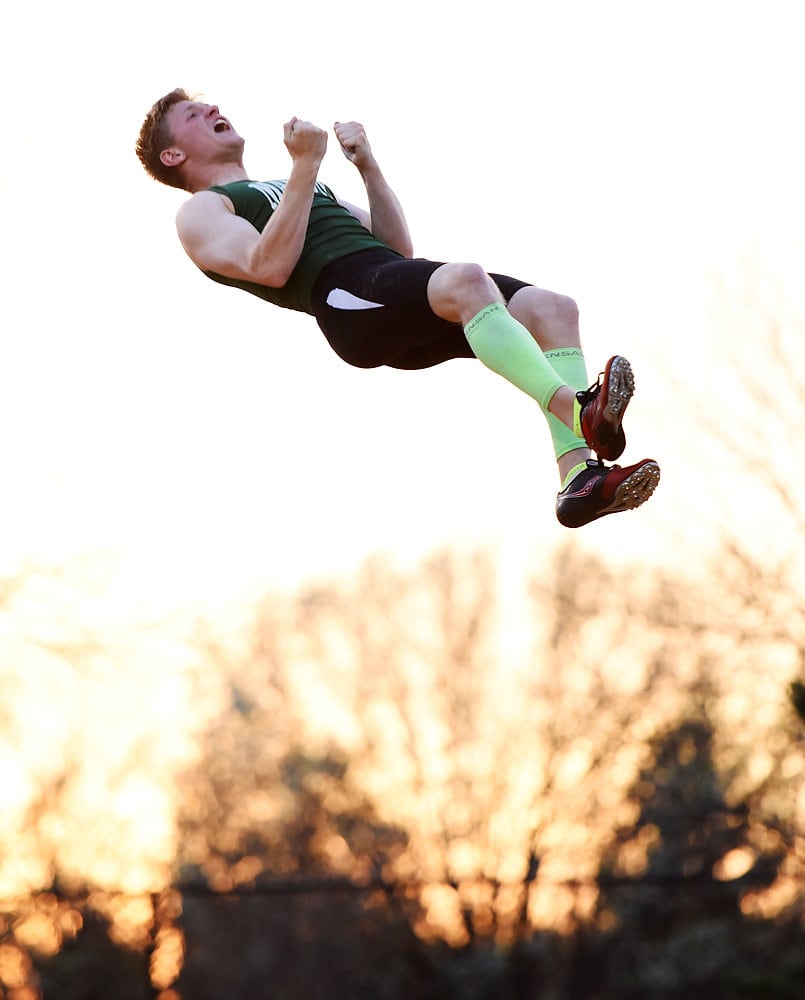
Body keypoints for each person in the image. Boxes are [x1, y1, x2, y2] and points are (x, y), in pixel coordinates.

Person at [136, 89, 660, 527]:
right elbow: (268, 265)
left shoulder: (297, 184)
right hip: (346, 301)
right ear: (174, 156)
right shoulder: (200, 211)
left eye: (206, 105)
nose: (210, 110)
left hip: (384, 279)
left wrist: (367, 165)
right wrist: (304, 164)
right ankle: (577, 409)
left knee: (553, 309)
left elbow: (396, 250)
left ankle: (578, 479)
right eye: (192, 115)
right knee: (465, 280)